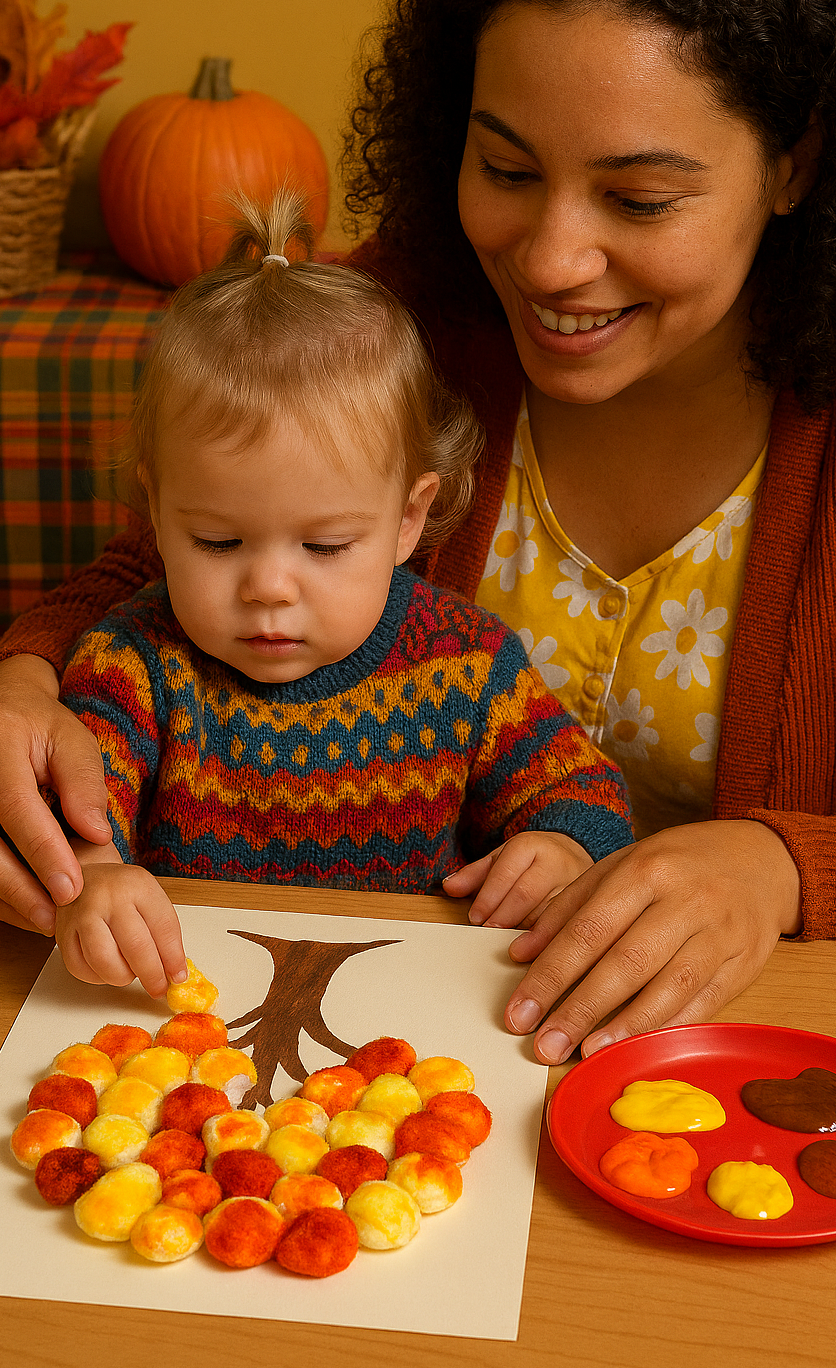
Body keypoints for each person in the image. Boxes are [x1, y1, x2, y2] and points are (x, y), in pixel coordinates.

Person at [0, 0, 836, 1062]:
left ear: (798, 163)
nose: (548, 259)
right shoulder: (399, 319)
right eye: (504, 169)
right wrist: (20, 687)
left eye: (639, 199)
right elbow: (167, 563)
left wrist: (783, 869)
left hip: (738, 1059)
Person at [48, 191, 632, 996]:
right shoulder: (132, 666)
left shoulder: (466, 664)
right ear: (155, 509)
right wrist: (92, 875)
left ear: (408, 519)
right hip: (185, 1012)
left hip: (415, 1010)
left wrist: (562, 847)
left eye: (325, 546)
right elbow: (75, 803)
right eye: (217, 541)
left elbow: (584, 791)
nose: (268, 589)